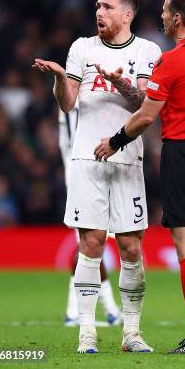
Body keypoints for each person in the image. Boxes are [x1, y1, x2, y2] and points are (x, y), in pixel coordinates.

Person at [94, 0, 185, 354]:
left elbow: (146, 116)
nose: (160, 16)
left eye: (163, 10)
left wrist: (114, 141)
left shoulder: (169, 62)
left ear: (177, 18)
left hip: (183, 155)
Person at [33, 0, 161, 354]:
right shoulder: (81, 48)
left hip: (127, 160)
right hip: (87, 160)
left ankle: (132, 333)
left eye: (107, 7)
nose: (99, 12)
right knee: (90, 244)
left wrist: (121, 82)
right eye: (97, 6)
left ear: (127, 14)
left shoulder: (147, 51)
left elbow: (145, 104)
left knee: (131, 247)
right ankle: (86, 332)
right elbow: (68, 104)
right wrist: (60, 78)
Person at [59, 105, 123, 328]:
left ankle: (75, 310)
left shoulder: (71, 95)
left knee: (90, 242)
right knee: (89, 243)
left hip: (83, 166)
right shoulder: (79, 98)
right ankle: (102, 310)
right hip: (84, 168)